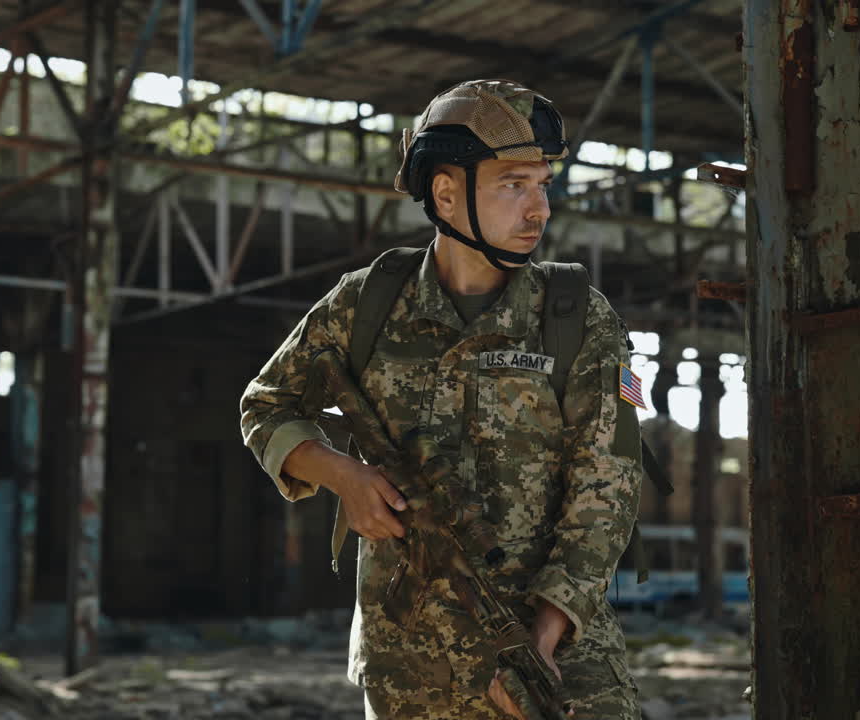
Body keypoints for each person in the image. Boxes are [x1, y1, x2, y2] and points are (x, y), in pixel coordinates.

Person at [239, 79, 642, 719]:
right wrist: (344, 477)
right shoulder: (366, 301)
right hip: (408, 672)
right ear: (446, 195)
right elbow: (266, 405)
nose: (539, 209)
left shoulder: (578, 318)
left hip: (555, 667)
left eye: (544, 185)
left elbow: (610, 484)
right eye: (514, 185)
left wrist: (538, 641)